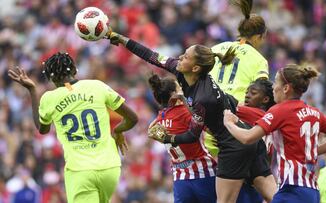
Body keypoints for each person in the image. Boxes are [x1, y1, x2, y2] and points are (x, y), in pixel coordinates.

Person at [106, 30, 258, 203]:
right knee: (265, 193)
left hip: (234, 147)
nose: (180, 57)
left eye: (185, 57)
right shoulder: (183, 74)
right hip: (235, 141)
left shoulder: (203, 98)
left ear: (195, 68)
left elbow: (192, 135)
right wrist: (122, 39)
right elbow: (151, 56)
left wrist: (166, 137)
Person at [7, 52, 138, 203]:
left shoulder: (49, 98)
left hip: (80, 172)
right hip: (110, 168)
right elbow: (132, 118)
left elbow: (42, 129)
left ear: (50, 78)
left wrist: (32, 91)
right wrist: (118, 131)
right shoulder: (97, 86)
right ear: (74, 70)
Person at [223, 64, 326, 203]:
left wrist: (229, 122)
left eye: (276, 82)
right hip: (312, 191)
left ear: (286, 88)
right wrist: (313, 151)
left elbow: (247, 138)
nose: (273, 87)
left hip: (292, 190)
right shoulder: (314, 112)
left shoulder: (280, 110)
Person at [208, 0, 276, 201]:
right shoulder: (258, 59)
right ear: (259, 36)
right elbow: (261, 95)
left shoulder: (216, 48)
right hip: (240, 124)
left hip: (212, 126)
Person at [147, 74, 217, 203]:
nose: (182, 89)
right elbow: (210, 129)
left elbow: (151, 132)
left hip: (180, 176)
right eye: (179, 87)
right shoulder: (184, 112)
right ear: (174, 94)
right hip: (203, 171)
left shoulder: (160, 118)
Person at [235, 79, 277, 203]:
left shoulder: (254, 113)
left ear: (265, 99)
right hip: (257, 174)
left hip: (248, 174)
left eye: (253, 93)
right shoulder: (268, 116)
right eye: (247, 92)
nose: (247, 95)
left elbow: (225, 108)